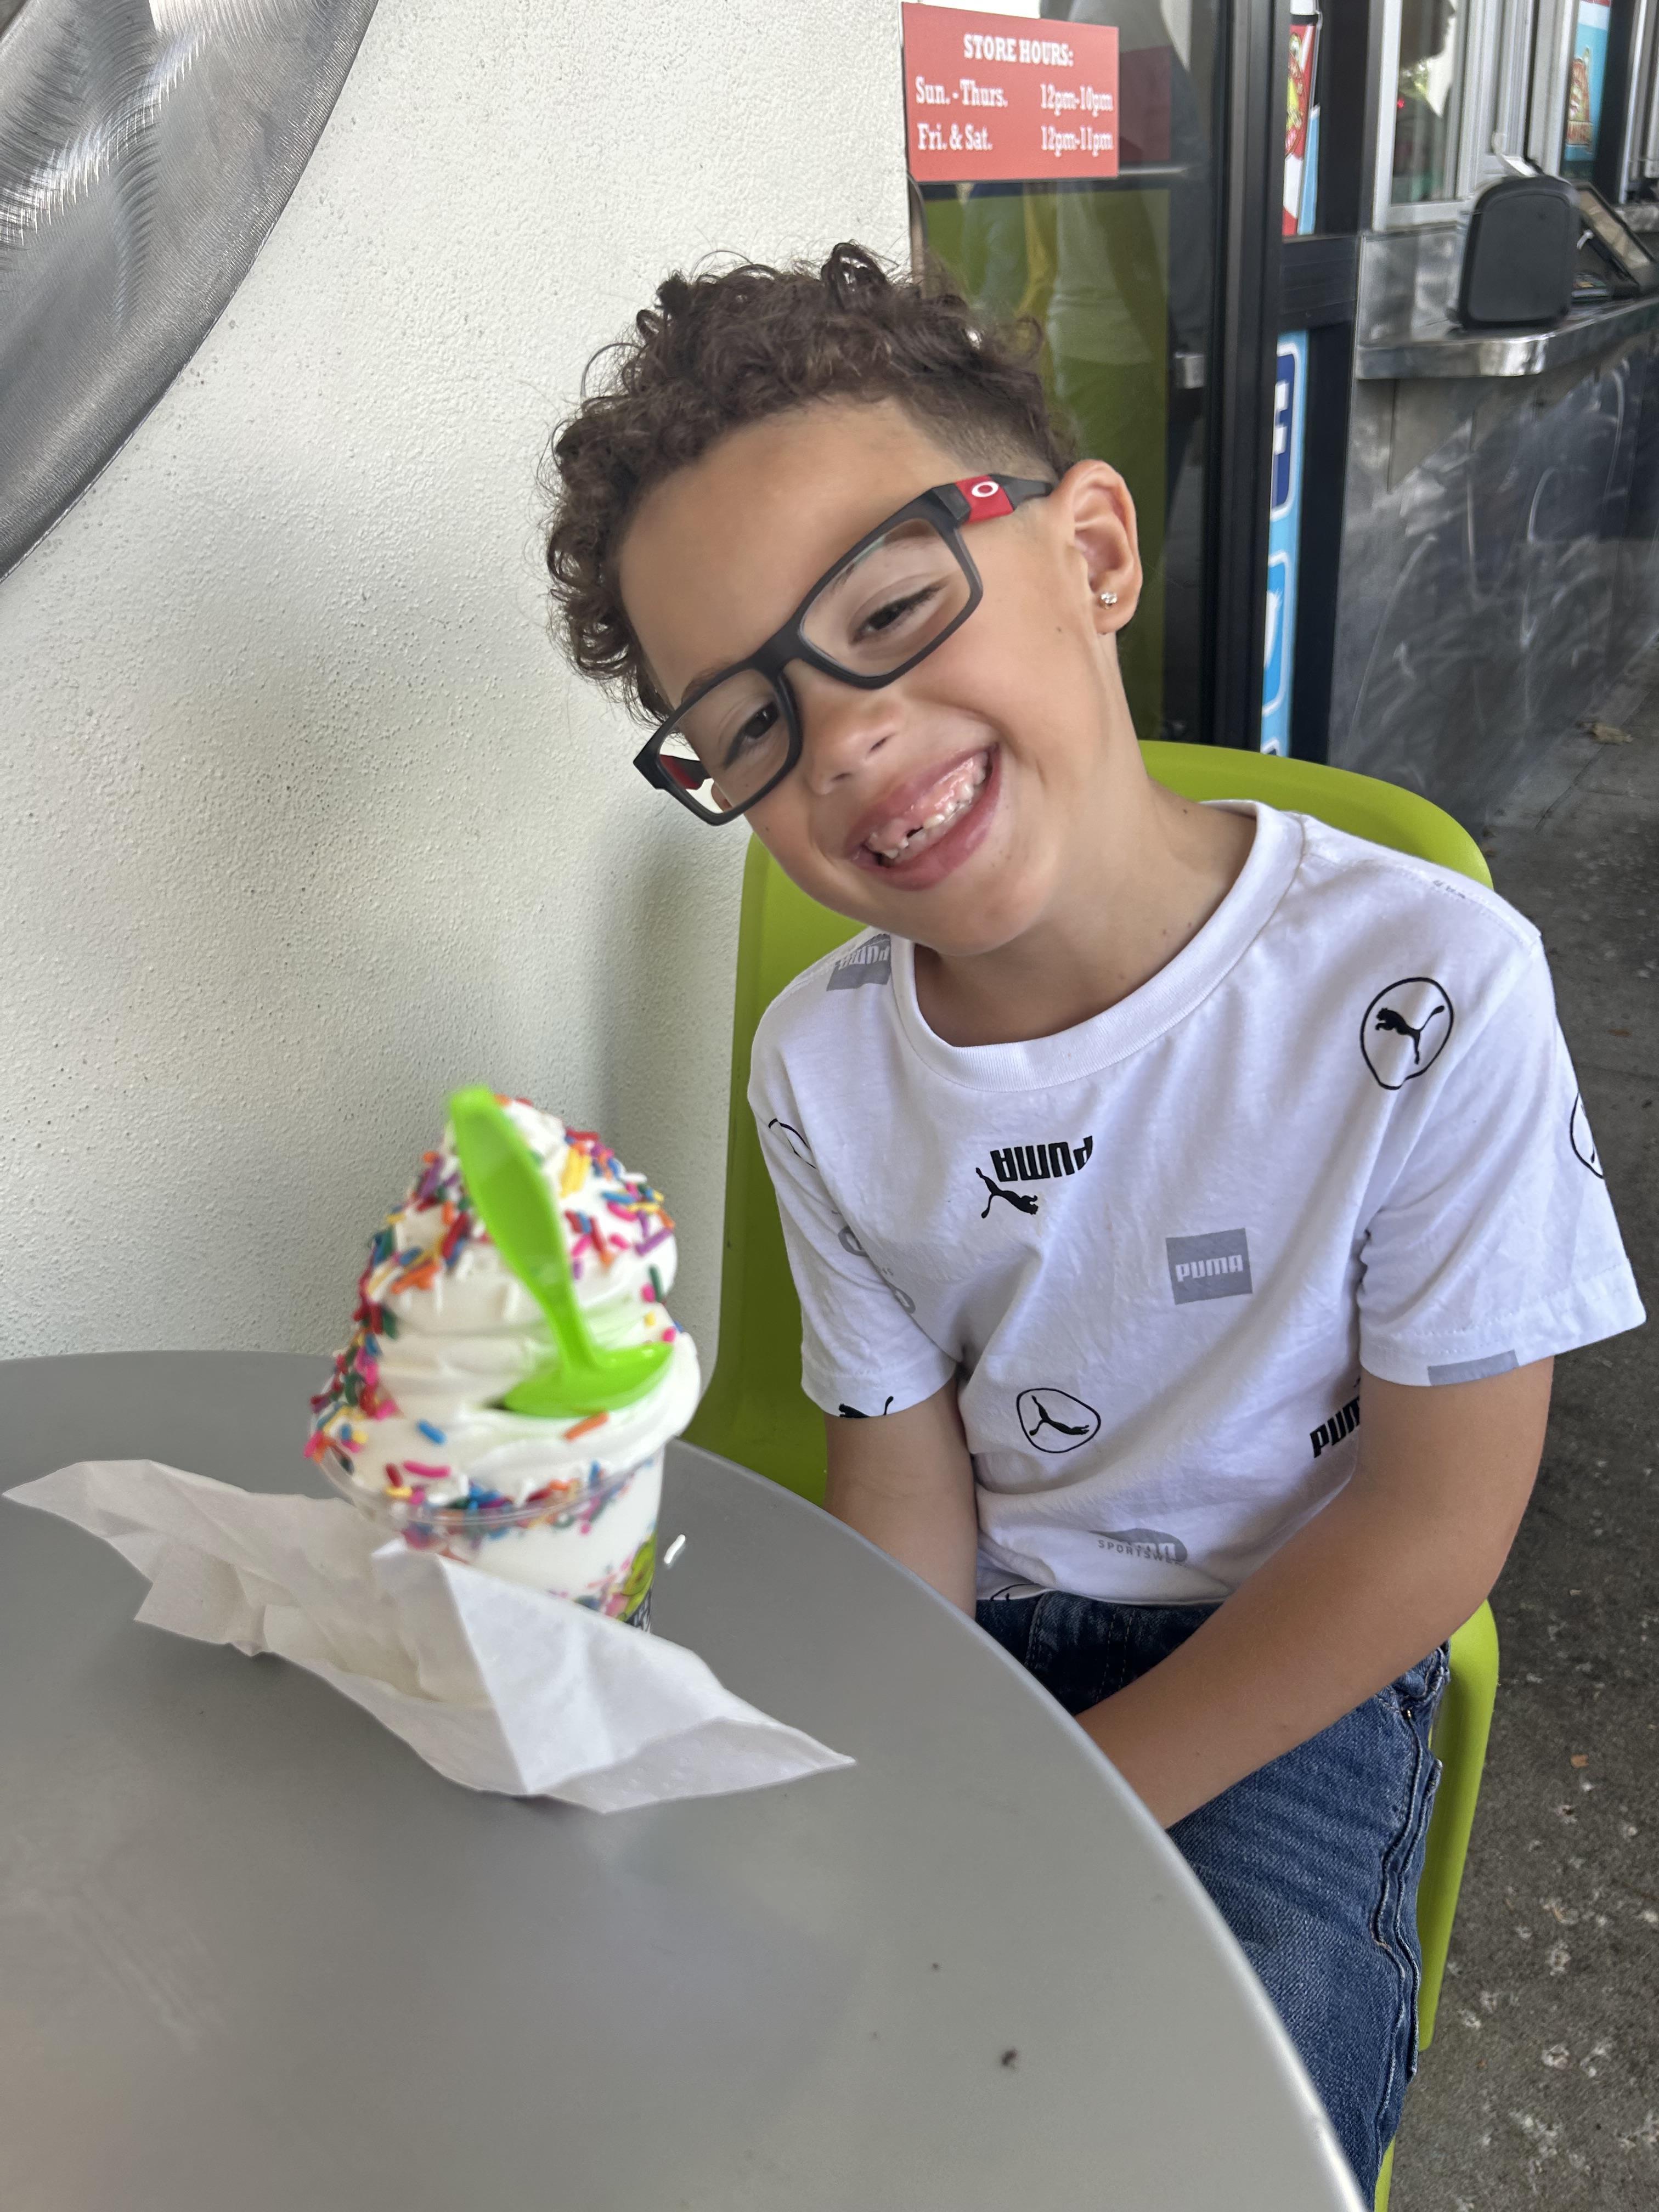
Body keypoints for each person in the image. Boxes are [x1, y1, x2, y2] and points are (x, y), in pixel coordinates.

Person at [539, 245, 1645, 2194]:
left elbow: (1432, 1521)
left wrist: (1076, 1802)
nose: (851, 741)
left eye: (890, 608)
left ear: (1096, 554)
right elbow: (905, 1471)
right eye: (750, 729)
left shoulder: (1426, 985)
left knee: (1201, 2113)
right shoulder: (824, 1064)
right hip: (990, 1637)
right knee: (747, 2049)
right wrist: (904, 1756)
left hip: (1290, 1649)